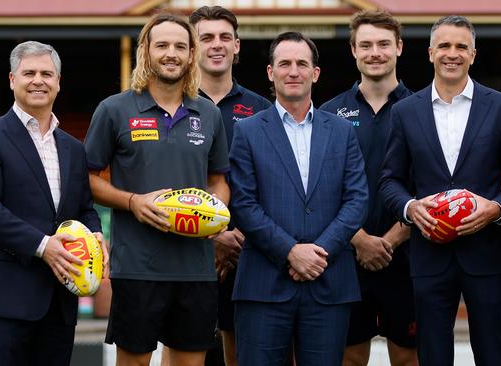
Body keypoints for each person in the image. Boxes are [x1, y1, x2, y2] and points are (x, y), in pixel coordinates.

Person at [378, 15, 501, 366]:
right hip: (428, 254)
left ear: (473, 54)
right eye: (445, 46)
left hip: (486, 253)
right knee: (432, 355)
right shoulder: (404, 112)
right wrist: (410, 207)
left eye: (461, 46)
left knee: (493, 352)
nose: (453, 53)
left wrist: (496, 208)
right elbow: (389, 180)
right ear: (431, 52)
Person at [84, 13, 230, 366]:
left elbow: (218, 182)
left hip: (195, 267)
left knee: (189, 363)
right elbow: (87, 180)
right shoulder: (114, 110)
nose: (171, 53)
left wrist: (215, 213)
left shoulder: (208, 114)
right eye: (162, 45)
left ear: (192, 54)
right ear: (145, 51)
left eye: (180, 46)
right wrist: (133, 202)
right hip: (137, 266)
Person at [229, 31, 368, 365]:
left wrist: (319, 253)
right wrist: (290, 252)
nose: (294, 71)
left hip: (329, 281)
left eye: (302, 64)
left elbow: (357, 200)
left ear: (315, 73)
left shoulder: (341, 131)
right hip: (264, 284)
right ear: (270, 72)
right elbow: (243, 204)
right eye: (285, 64)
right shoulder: (247, 131)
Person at [0, 40, 105, 366]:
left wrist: (96, 235)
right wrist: (43, 245)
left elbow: (85, 208)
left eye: (47, 73)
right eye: (29, 73)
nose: (38, 80)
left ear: (59, 83)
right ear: (11, 79)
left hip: (59, 302)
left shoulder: (73, 148)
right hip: (4, 301)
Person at [319, 10, 416, 366]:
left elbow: (429, 186)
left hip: (406, 258)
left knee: (408, 359)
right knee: (349, 359)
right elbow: (322, 189)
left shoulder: (423, 109)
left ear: (399, 48)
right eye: (366, 45)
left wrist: (391, 240)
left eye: (383, 44)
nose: (375, 52)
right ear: (353, 50)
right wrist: (357, 239)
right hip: (345, 258)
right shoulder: (329, 114)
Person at [189, 7, 271, 366]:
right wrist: (212, 235)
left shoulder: (263, 109)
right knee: (188, 354)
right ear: (192, 47)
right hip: (188, 253)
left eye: (225, 37)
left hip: (249, 254)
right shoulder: (175, 106)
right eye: (206, 37)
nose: (216, 45)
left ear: (237, 46)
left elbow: (272, 184)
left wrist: (238, 237)